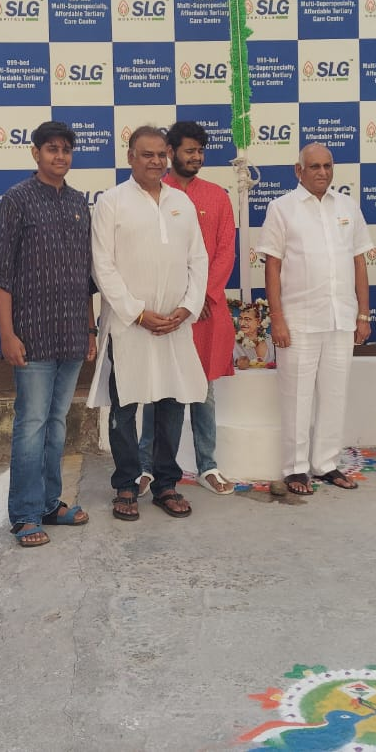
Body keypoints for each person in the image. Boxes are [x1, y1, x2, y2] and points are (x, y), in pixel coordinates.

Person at [88, 125, 208, 521]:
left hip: (174, 325)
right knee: (125, 408)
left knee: (171, 404)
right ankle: (126, 484)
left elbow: (198, 259)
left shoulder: (181, 202)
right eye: (147, 154)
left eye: (161, 154)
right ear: (130, 157)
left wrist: (187, 308)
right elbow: (102, 265)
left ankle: (166, 484)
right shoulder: (112, 202)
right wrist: (137, 312)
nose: (156, 161)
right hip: (129, 326)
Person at [0, 121, 96, 548]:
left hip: (71, 333)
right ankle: (24, 514)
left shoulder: (78, 202)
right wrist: (7, 334)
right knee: (31, 424)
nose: (60, 156)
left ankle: (50, 503)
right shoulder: (17, 199)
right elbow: (0, 273)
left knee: (56, 423)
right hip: (31, 335)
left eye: (66, 149)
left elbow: (86, 276)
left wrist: (89, 329)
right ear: (35, 153)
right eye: (51, 149)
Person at [258, 143, 372, 495]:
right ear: (299, 171)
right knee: (296, 399)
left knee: (334, 396)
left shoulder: (347, 207)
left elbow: (359, 261)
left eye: (327, 166)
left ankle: (326, 464)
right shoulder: (281, 208)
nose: (322, 172)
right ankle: (295, 469)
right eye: (314, 167)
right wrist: (277, 319)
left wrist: (363, 314)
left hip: (341, 319)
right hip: (299, 322)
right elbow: (272, 266)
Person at [136, 120, 237, 497]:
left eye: (200, 151)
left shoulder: (217, 196)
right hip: (165, 311)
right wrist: (177, 302)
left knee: (202, 389)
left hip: (204, 310)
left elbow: (225, 251)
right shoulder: (155, 193)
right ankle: (146, 467)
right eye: (189, 151)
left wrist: (202, 298)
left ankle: (207, 464)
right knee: (157, 389)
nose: (196, 157)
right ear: (171, 153)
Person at [233, 302, 272, 369]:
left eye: (247, 319)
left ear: (258, 322)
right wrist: (238, 362)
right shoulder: (234, 341)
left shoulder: (270, 340)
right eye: (240, 319)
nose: (242, 323)